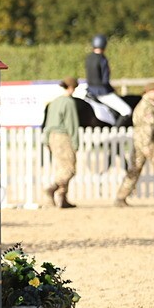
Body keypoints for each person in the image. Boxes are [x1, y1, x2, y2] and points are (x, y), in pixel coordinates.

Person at [42, 78, 81, 209]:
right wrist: (75, 142)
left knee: (61, 166)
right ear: (72, 88)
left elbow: (47, 122)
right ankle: (52, 189)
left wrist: (46, 139)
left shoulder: (54, 102)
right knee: (69, 168)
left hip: (52, 136)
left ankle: (63, 198)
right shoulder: (69, 103)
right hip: (63, 136)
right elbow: (72, 124)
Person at [84, 34, 132, 119]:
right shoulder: (102, 59)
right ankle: (116, 130)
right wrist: (112, 89)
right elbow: (105, 80)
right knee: (127, 111)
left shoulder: (88, 58)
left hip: (89, 90)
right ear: (104, 45)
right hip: (102, 92)